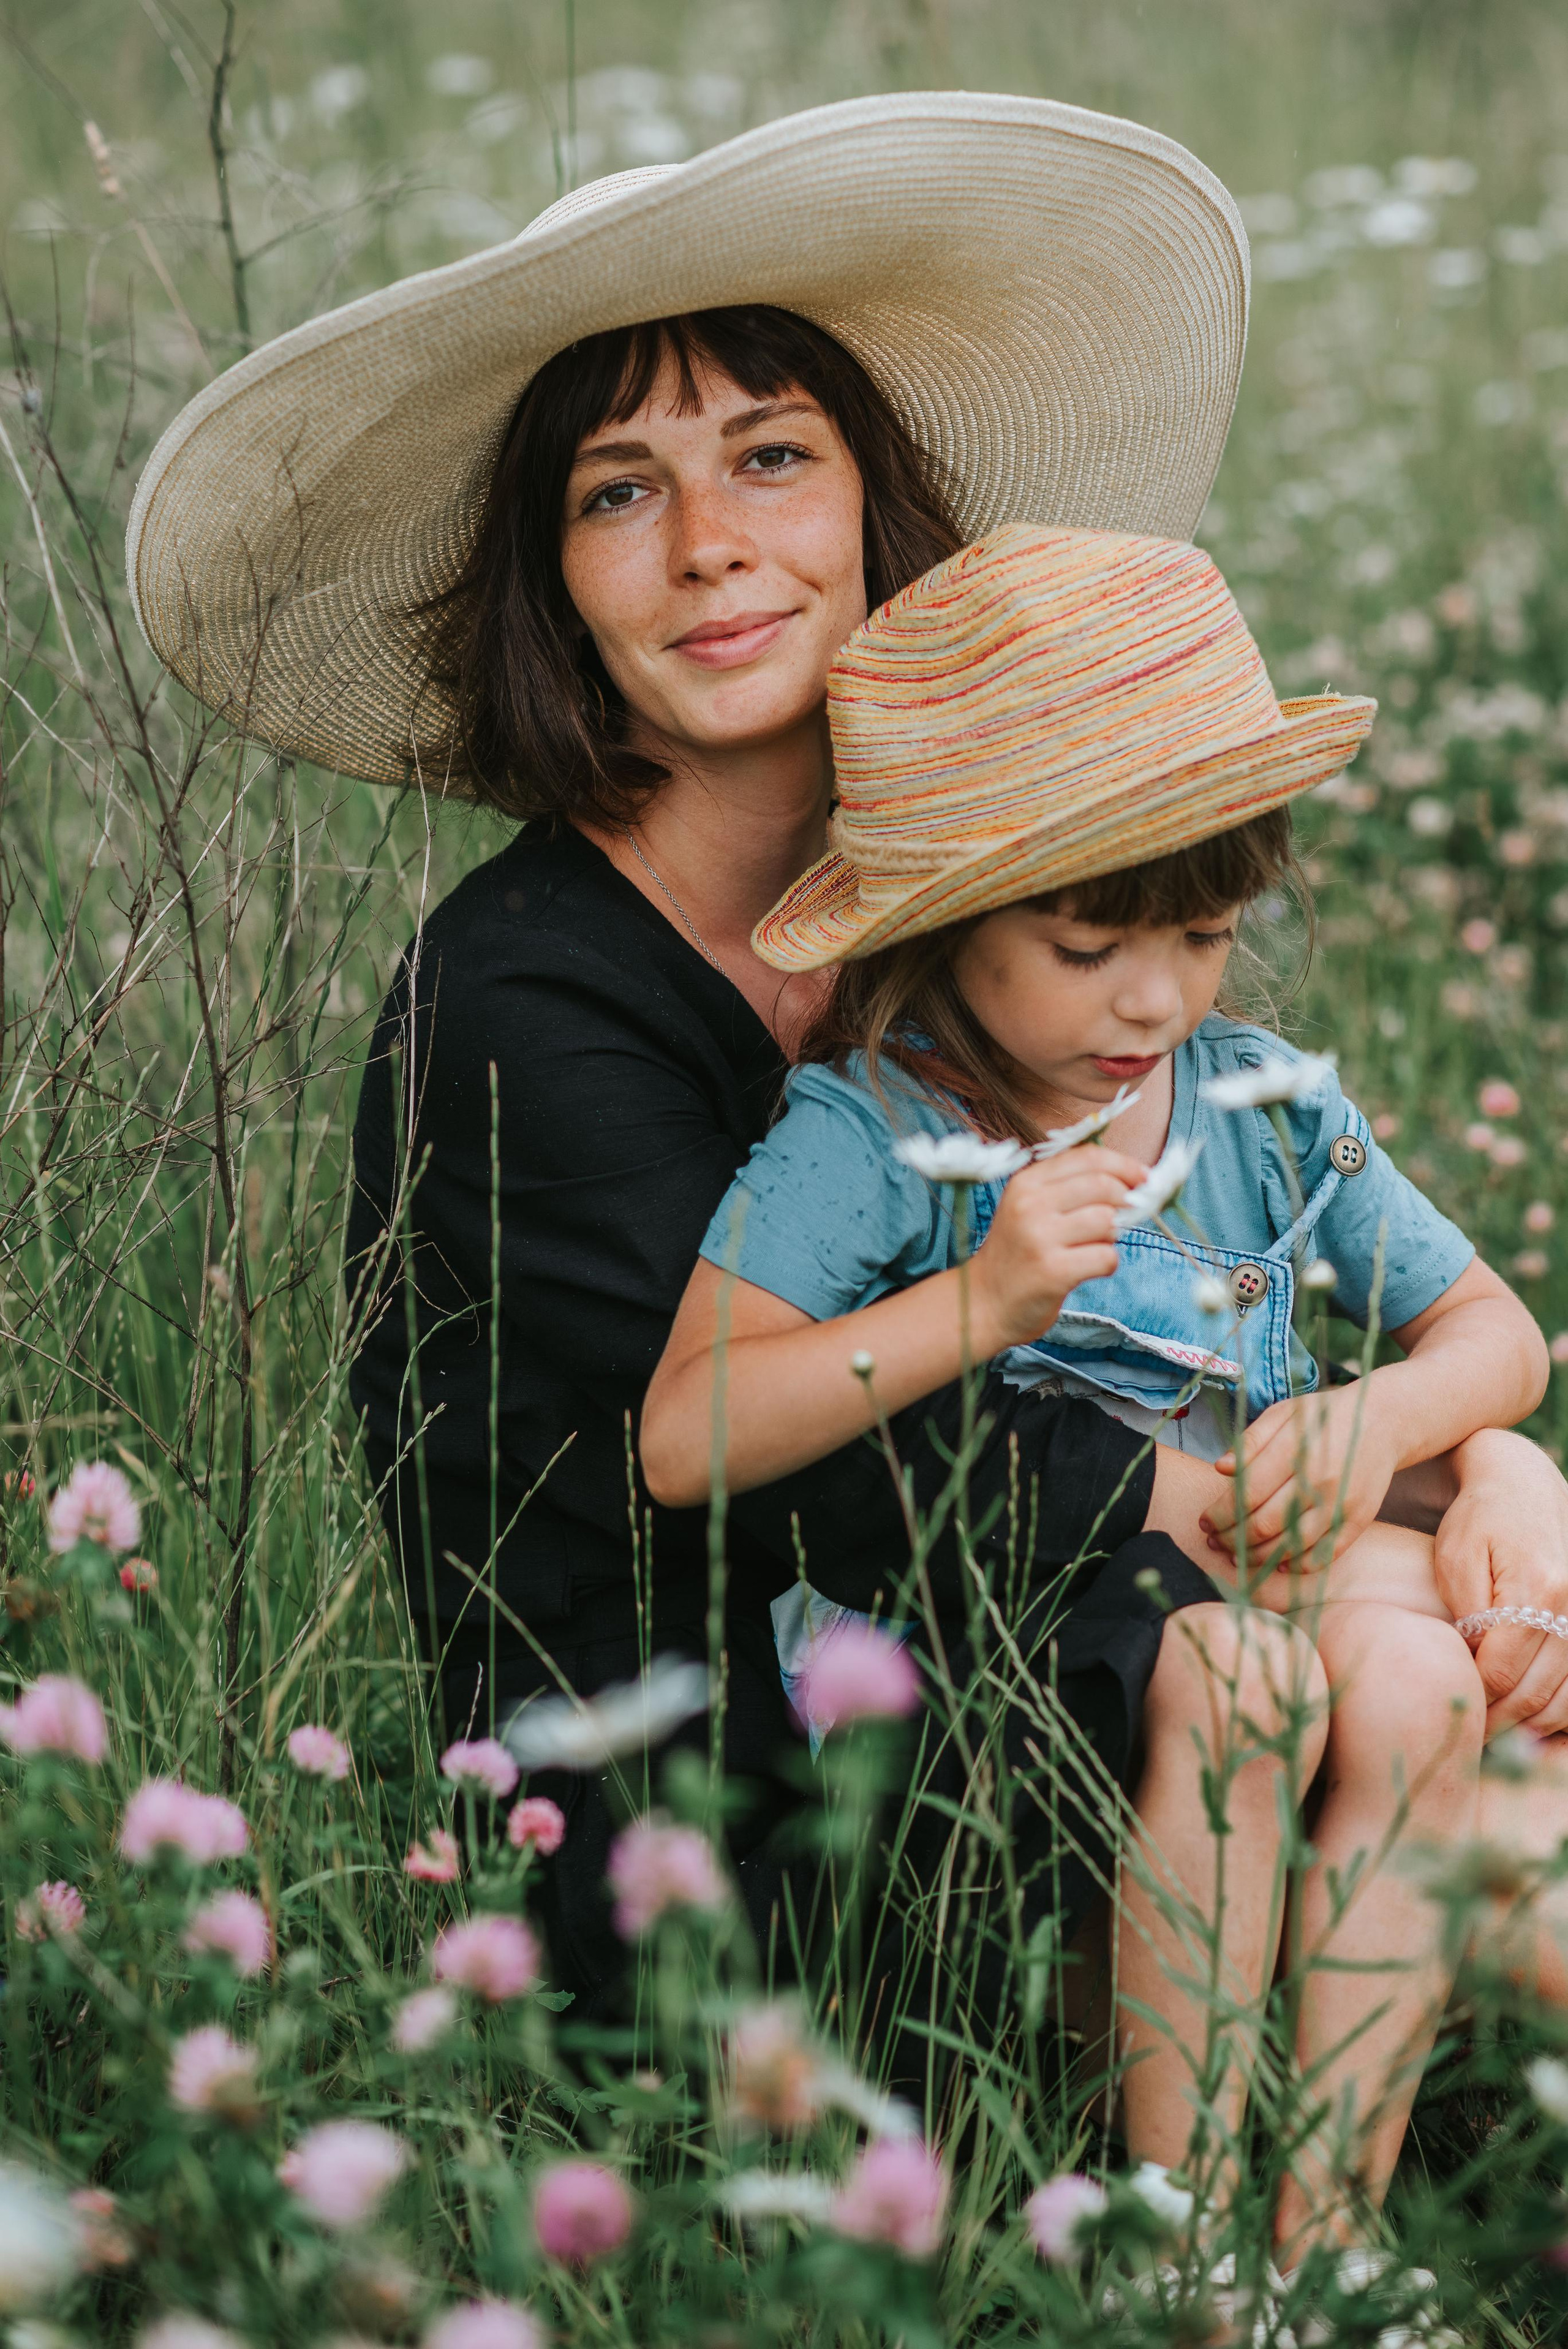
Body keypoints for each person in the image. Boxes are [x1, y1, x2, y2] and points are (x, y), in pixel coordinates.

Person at [124, 86, 1568, 2182]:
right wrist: (1411, 1526)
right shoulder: (522, 1006)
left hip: (1098, 1669)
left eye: (773, 457)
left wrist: (1486, 1454)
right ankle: (1227, 2243)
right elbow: (915, 1481)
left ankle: (1313, 2189)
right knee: (1480, 1778)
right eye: (623, 489)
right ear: (550, 577)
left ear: (876, 506)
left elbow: (1188, 1303)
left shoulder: (1007, 906)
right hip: (746, 1837)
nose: (713, 543)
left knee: (1476, 1705)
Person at [639, 520, 1551, 2264]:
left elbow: (1495, 1327)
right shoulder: (872, 1131)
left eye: (1205, 936)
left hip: (1248, 1583)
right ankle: (1188, 2234)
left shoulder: (1261, 1099)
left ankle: (1332, 2234)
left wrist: (1387, 1418)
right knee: (1237, 1674)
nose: (1157, 997)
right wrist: (979, 1299)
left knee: (1422, 1686)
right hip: (992, 1658)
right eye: (1086, 946)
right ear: (952, 917)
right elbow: (691, 1438)